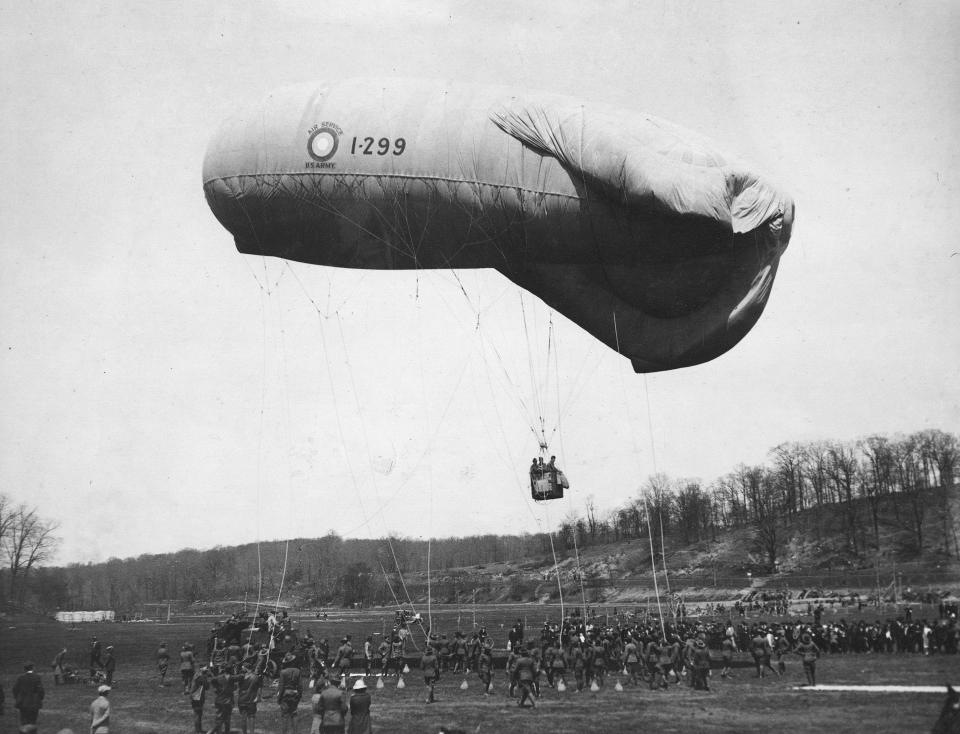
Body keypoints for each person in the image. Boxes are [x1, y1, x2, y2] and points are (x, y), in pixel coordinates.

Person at [13, 662, 44, 732]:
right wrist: (40, 698)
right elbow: (41, 690)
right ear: (33, 668)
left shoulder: (20, 678)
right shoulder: (37, 677)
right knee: (33, 721)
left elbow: (15, 689)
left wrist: (17, 698)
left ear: (24, 669)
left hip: (23, 703)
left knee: (24, 722)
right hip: (34, 703)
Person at [278, 653, 303, 734]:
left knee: (285, 716)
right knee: (294, 714)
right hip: (294, 694)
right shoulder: (298, 671)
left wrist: (279, 698)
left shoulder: (283, 672)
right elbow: (300, 686)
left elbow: (281, 687)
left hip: (285, 694)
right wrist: (299, 695)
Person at [237, 664, 263, 734]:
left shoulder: (241, 677)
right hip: (251, 699)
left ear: (246, 668)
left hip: (242, 699)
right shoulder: (256, 677)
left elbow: (239, 687)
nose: (242, 669)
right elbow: (259, 688)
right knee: (251, 716)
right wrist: (258, 697)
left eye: (243, 668)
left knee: (243, 717)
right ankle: (252, 732)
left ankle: (244, 733)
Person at [189, 667, 212, 734]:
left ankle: (198, 730)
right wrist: (208, 678)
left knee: (197, 714)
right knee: (198, 714)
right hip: (198, 697)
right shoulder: (202, 678)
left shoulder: (197, 675)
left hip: (194, 696)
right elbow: (207, 687)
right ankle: (198, 731)